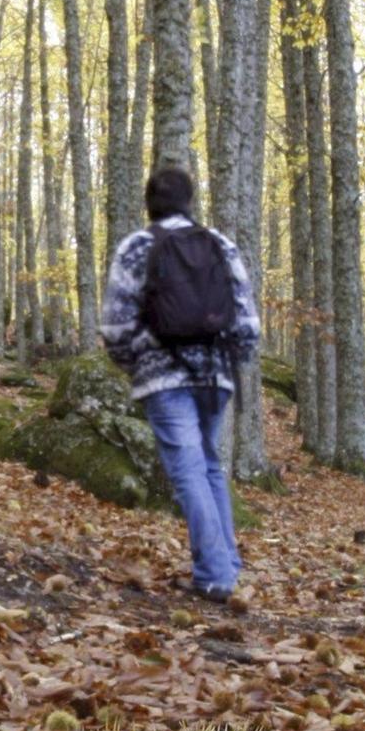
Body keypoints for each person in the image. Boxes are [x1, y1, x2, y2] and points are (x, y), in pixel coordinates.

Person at [100, 165, 259, 605]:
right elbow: (247, 324)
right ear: (190, 202)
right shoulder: (220, 245)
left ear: (149, 203)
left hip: (164, 377)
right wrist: (229, 362)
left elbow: (115, 325)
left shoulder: (137, 246)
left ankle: (214, 575)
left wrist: (137, 365)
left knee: (190, 470)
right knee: (208, 466)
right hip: (215, 376)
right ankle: (225, 564)